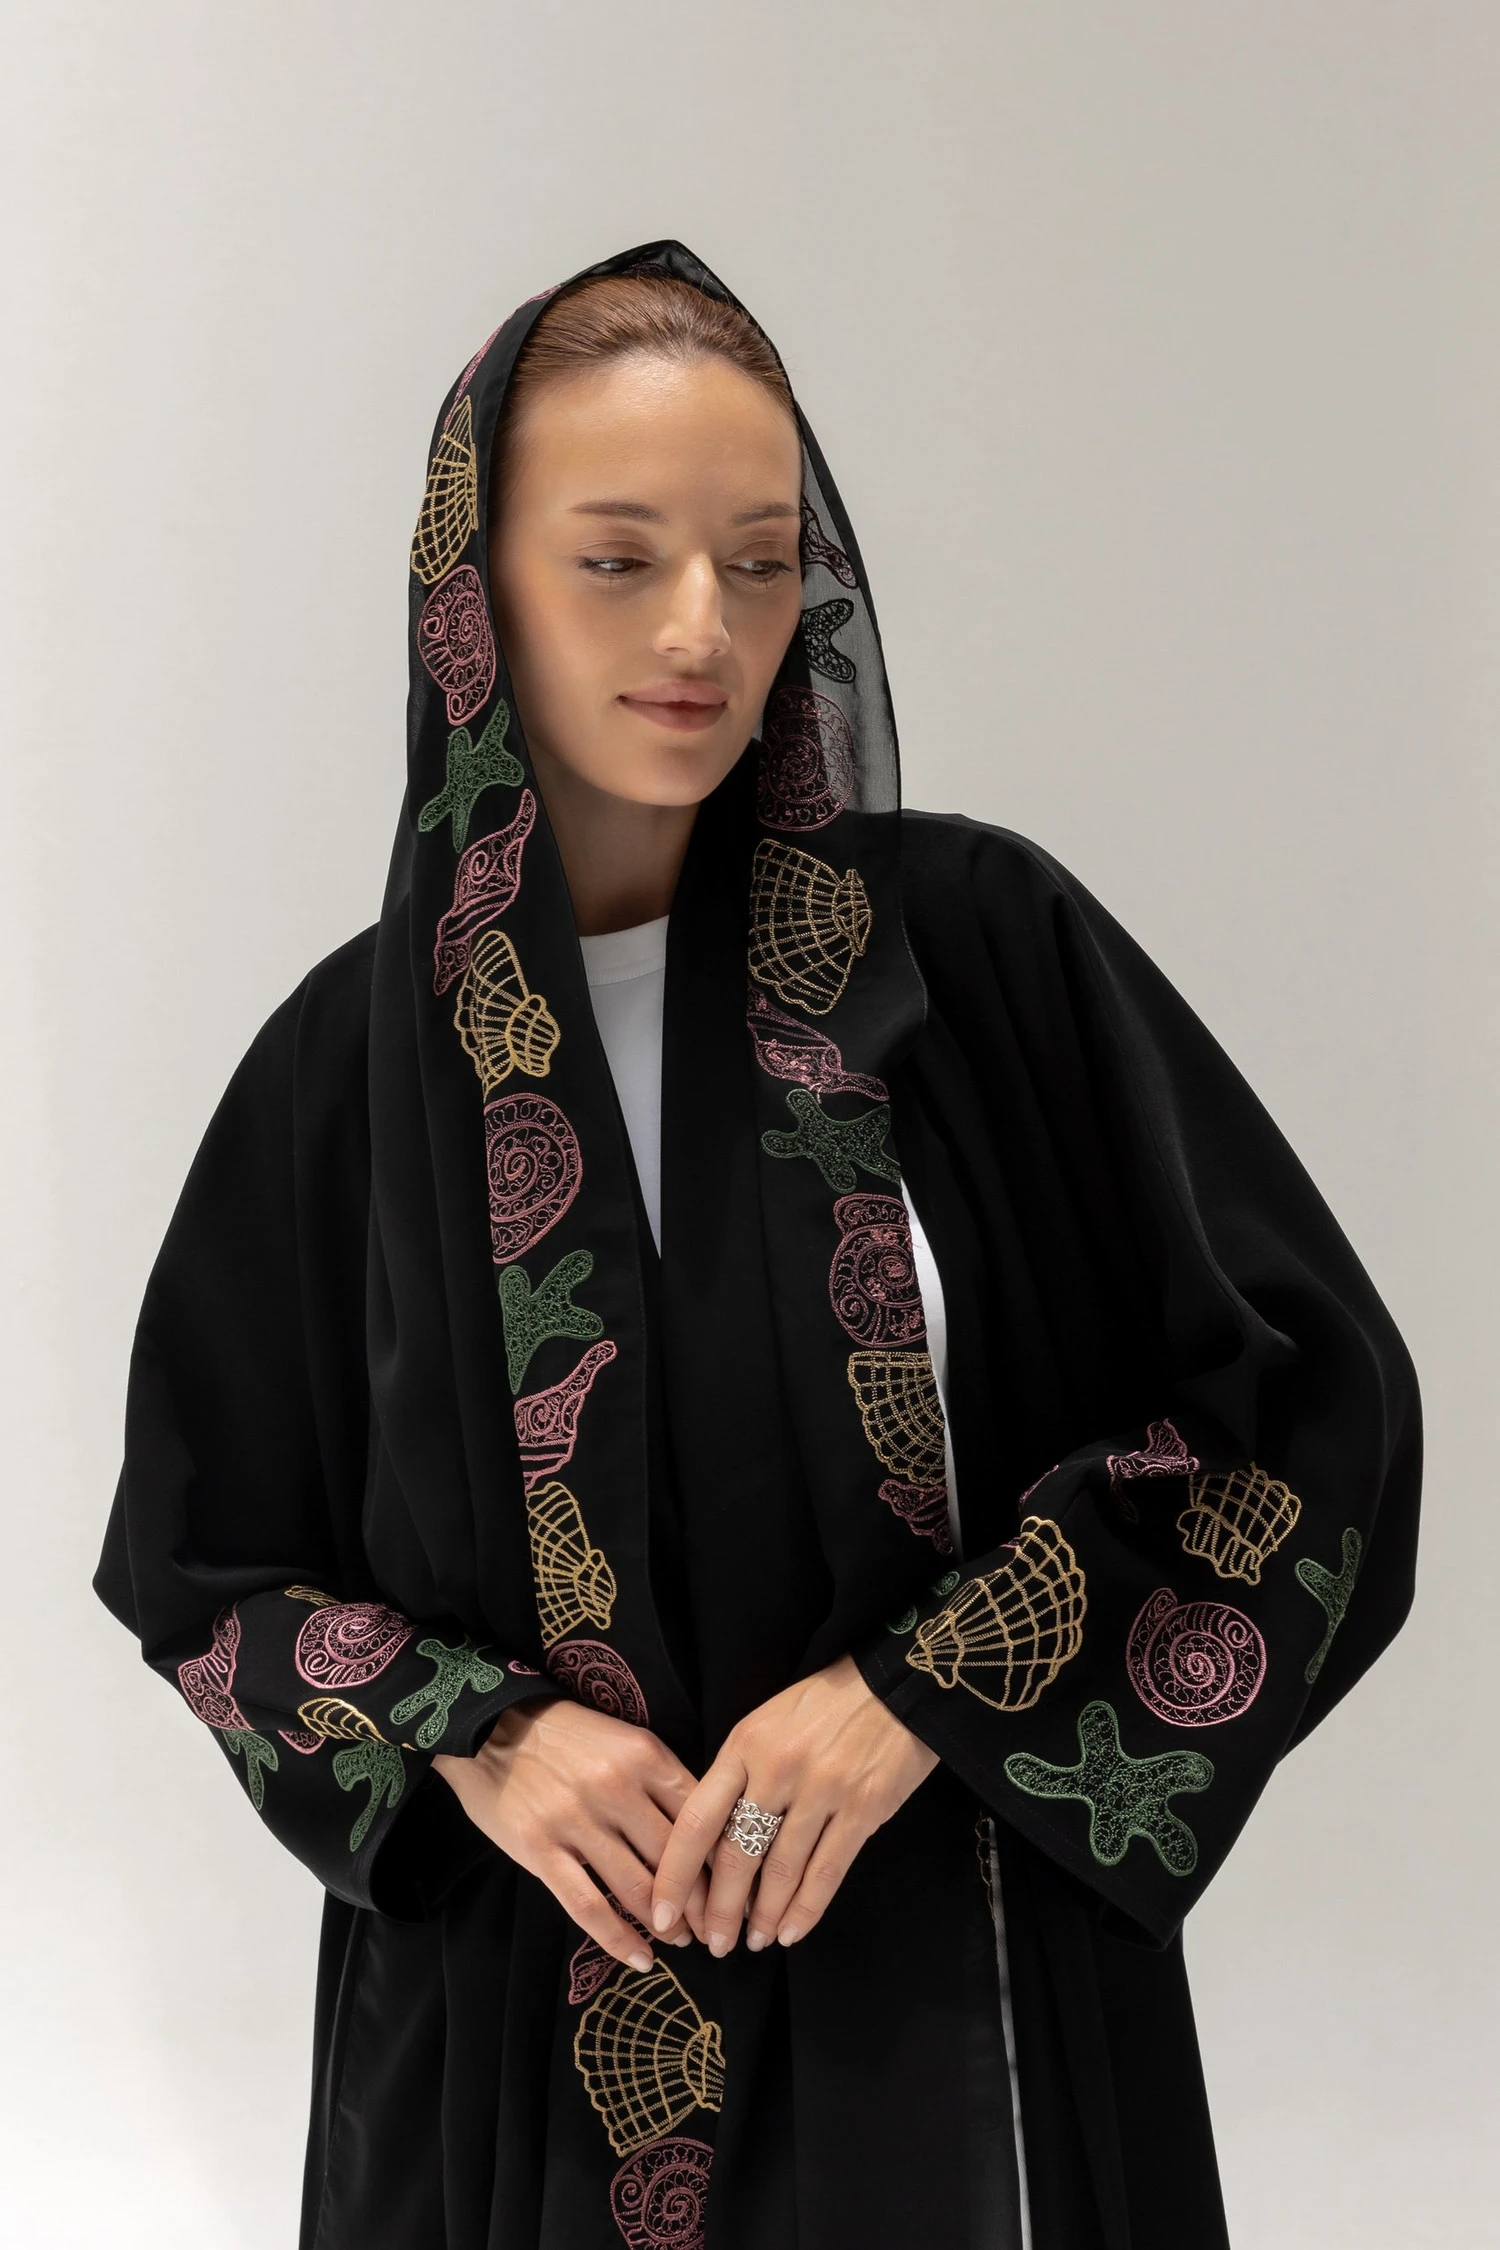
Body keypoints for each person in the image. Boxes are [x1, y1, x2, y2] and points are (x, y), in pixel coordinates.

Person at [94, 239, 1422, 2250]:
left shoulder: (970, 959)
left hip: (959, 2007)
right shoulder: (346, 1073)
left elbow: (1305, 1410)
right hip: (512, 2068)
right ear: (475, 594)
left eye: (763, 558)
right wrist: (482, 1736)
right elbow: (203, 1565)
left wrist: (916, 1694)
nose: (703, 627)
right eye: (617, 559)